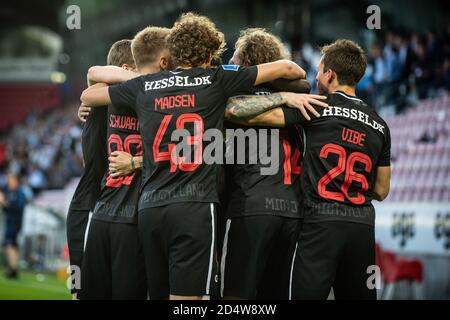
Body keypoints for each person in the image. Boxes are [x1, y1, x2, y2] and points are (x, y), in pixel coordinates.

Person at [80, 12, 325, 300]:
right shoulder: (216, 79)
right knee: (191, 302)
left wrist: (144, 79)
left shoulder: (144, 85)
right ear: (210, 53)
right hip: (195, 206)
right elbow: (290, 69)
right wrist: (284, 96)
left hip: (149, 208)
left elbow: (90, 93)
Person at [281, 39, 391, 300]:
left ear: (329, 74)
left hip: (321, 222)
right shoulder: (380, 124)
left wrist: (284, 97)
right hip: (362, 227)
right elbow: (382, 190)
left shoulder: (315, 107)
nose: (316, 76)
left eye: (319, 70)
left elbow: (246, 114)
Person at [220, 28, 325, 300]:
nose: (231, 64)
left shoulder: (238, 98)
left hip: (251, 207)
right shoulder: (299, 98)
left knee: (235, 296)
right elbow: (299, 77)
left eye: (235, 59)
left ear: (246, 63)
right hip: (293, 211)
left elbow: (229, 109)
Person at [79, 29, 171, 299]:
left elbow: (91, 82)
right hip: (131, 218)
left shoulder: (109, 98)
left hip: (102, 212)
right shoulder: (155, 98)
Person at [0, 173, 27, 279]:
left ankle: (13, 269)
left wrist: (4, 202)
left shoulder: (19, 193)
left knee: (10, 244)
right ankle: (12, 268)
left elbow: (17, 207)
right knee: (11, 245)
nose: (9, 181)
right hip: (10, 222)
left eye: (11, 179)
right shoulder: (10, 192)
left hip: (15, 223)